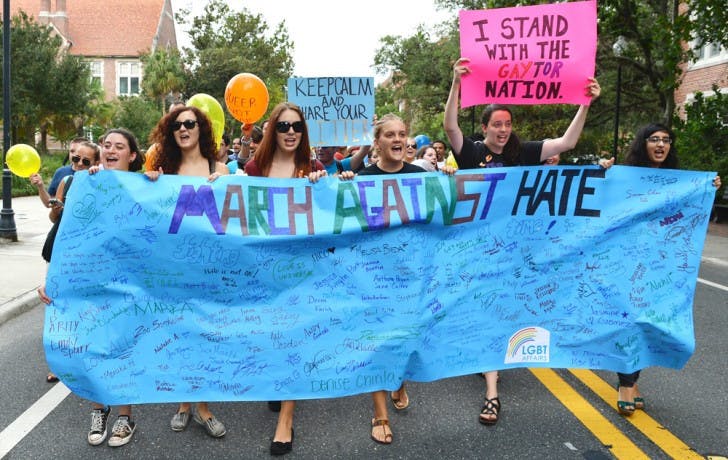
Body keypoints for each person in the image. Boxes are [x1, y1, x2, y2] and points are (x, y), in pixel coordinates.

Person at [444, 56, 608, 426]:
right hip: (477, 250)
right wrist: (457, 83)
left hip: (516, 252)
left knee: (502, 311)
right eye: (496, 124)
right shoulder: (470, 152)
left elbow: (568, 141)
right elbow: (449, 125)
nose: (503, 130)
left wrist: (585, 102)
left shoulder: (525, 151)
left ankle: (492, 367)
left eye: (507, 124)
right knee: (486, 312)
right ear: (484, 127)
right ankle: (492, 391)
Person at [38, 129, 144, 448]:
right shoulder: (86, 183)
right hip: (90, 280)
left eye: (119, 146)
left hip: (128, 283)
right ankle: (99, 411)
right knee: (93, 346)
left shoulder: (144, 187)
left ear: (133, 155)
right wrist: (54, 279)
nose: (111, 150)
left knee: (122, 348)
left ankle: (125, 417)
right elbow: (69, 237)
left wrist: (155, 178)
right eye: (107, 145)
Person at [614, 122, 721, 416]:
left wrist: (707, 192)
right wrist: (602, 172)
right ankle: (625, 383)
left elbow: (696, 218)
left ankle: (633, 381)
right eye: (654, 139)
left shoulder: (679, 181)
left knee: (652, 322)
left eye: (666, 140)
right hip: (628, 261)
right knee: (633, 320)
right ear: (643, 143)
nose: (661, 145)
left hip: (662, 266)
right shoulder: (627, 178)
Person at [244, 102, 326, 456]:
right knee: (269, 334)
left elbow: (333, 210)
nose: (290, 132)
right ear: (271, 131)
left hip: (302, 270)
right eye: (283, 126)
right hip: (264, 266)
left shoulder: (314, 168)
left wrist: (332, 183)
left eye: (296, 127)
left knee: (294, 337)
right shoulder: (254, 168)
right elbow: (240, 212)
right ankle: (277, 384)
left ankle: (286, 421)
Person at [145, 105, 229, 438]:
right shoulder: (163, 170)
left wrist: (229, 182)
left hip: (210, 270)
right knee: (180, 335)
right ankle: (183, 403)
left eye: (190, 123)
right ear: (170, 132)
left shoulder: (219, 168)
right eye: (177, 125)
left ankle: (204, 408)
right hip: (175, 271)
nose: (184, 129)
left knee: (206, 338)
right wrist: (150, 183)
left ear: (201, 129)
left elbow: (241, 211)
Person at [29, 137, 88, 208]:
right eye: (72, 151)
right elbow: (49, 203)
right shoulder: (61, 172)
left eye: (78, 151)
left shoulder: (95, 173)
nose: (74, 155)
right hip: (62, 219)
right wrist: (40, 186)